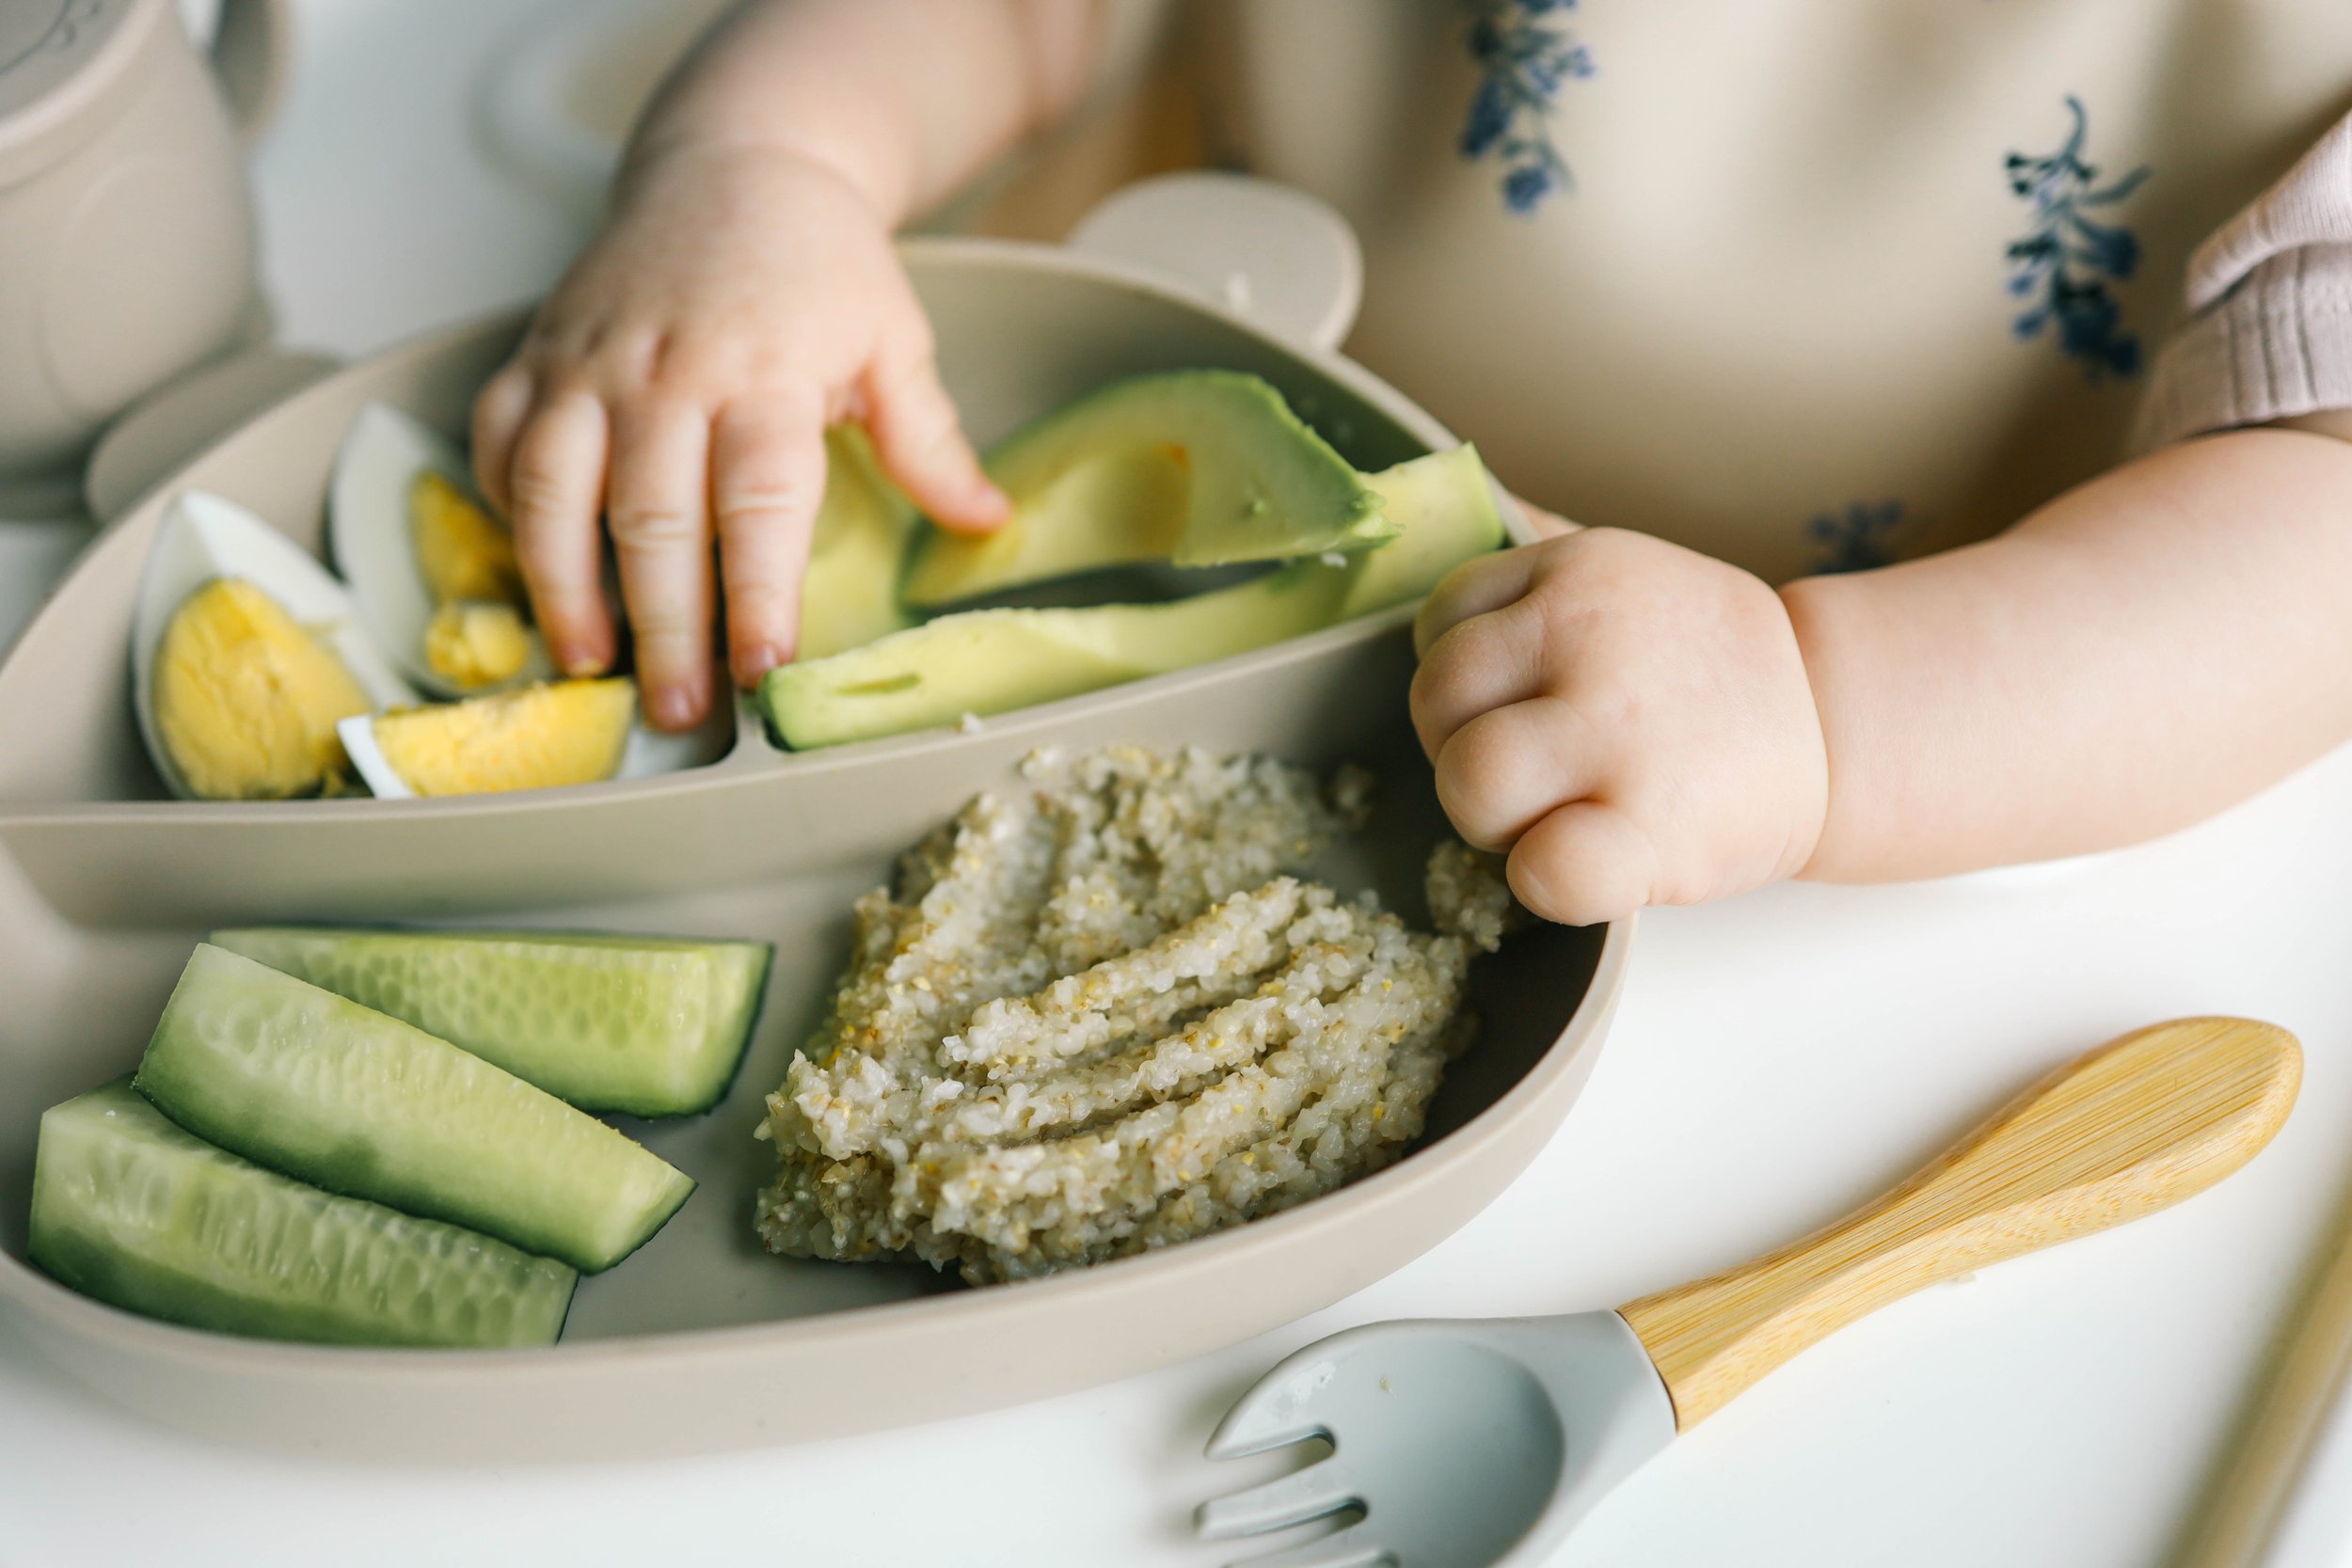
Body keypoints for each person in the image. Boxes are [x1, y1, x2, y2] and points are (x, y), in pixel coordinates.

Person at [470, 0, 2352, 927]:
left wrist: (1825, 719)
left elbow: (2313, 513)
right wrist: (767, 167)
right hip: (1172, 393)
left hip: (1887, 737)